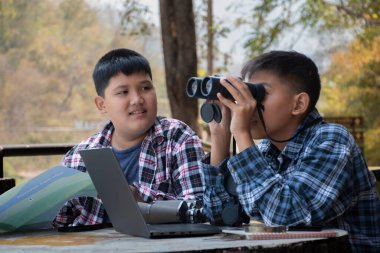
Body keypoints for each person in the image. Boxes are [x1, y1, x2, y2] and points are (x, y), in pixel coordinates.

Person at [202, 50, 380, 253]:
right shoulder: (266, 152)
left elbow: (285, 214)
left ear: (298, 104)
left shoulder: (331, 140)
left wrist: (242, 133)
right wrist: (220, 137)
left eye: (259, 93)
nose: (249, 105)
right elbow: (218, 215)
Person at [53, 48, 205, 227]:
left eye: (146, 88)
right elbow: (58, 222)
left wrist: (141, 200)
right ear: (102, 105)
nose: (137, 99)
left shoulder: (178, 139)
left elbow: (200, 209)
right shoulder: (78, 157)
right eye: (123, 92)